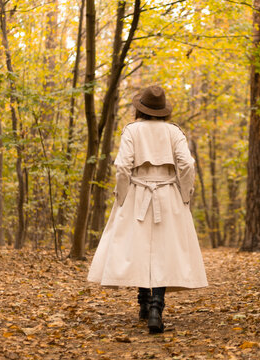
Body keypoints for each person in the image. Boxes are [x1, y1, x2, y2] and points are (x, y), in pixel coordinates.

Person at [87, 85, 208, 334]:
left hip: (137, 192)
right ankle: (155, 306)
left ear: (140, 108)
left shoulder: (132, 130)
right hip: (168, 194)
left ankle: (144, 303)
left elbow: (122, 166)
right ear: (163, 110)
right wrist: (184, 194)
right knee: (163, 250)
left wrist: (121, 196)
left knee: (138, 246)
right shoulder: (174, 132)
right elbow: (186, 165)